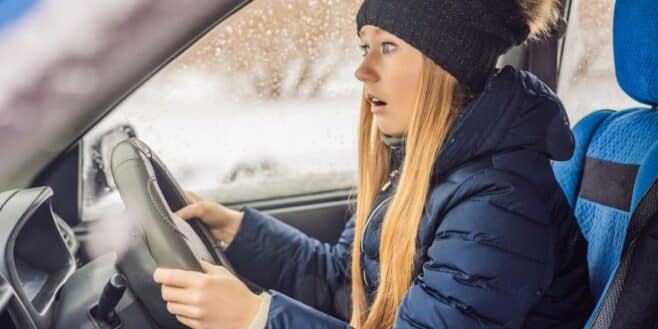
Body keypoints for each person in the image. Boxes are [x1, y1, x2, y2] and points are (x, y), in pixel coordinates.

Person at [153, 0, 595, 328]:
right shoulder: (421, 163)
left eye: (387, 46)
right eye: (364, 46)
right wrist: (235, 232)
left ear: (446, 65)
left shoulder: (498, 204)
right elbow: (348, 285)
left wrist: (258, 318)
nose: (362, 69)